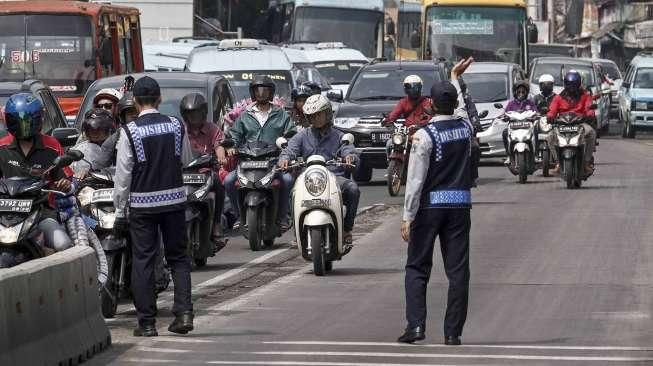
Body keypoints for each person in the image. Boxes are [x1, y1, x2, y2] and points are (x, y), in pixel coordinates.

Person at [113, 76, 195, 337]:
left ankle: (146, 323)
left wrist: (119, 210)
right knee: (179, 258)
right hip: (173, 201)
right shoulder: (176, 125)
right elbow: (186, 159)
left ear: (135, 102)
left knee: (144, 261)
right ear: (159, 99)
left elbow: (123, 176)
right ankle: (183, 313)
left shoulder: (130, 131)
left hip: (142, 206)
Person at [398, 77, 474, 346]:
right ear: (453, 104)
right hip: (460, 207)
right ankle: (453, 332)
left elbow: (415, 181)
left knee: (417, 267)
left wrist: (408, 216)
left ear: (430, 104)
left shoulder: (424, 135)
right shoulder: (465, 128)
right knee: (458, 271)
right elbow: (464, 110)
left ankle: (416, 325)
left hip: (429, 208)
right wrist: (456, 77)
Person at [278, 95, 360, 246]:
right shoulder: (302, 136)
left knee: (353, 189)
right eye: (311, 116)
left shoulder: (339, 136)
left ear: (327, 113)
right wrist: (285, 159)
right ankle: (297, 232)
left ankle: (347, 229)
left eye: (318, 114)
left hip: (334, 177)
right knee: (293, 194)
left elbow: (348, 149)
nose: (315, 119)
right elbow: (289, 150)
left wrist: (349, 157)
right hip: (308, 179)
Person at [0, 93, 73, 258]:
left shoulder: (52, 146)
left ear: (38, 119)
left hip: (41, 212)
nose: (23, 124)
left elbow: (65, 178)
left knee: (63, 245)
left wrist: (64, 184)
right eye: (18, 120)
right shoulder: (1, 148)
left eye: (28, 120)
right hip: (6, 215)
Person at [220, 75, 295, 230]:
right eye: (258, 90)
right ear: (253, 92)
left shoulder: (281, 114)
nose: (261, 93)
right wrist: (231, 146)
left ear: (271, 92)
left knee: (287, 180)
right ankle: (239, 216)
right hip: (247, 161)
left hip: (274, 160)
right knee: (228, 181)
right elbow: (233, 135)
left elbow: (291, 133)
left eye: (265, 90)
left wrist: (285, 145)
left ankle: (283, 217)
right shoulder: (245, 115)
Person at [180, 92, 226, 244]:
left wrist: (221, 157)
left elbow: (219, 145)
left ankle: (217, 223)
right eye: (190, 114)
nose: (194, 117)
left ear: (204, 112)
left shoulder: (212, 128)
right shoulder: (180, 130)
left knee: (219, 184)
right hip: (184, 173)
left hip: (206, 173)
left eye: (197, 113)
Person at [547, 70, 596, 174]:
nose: (571, 87)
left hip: (580, 123)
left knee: (591, 133)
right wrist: (550, 116)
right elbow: (552, 110)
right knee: (550, 136)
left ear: (578, 84)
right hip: (562, 124)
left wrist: (590, 113)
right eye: (569, 84)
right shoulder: (559, 97)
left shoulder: (585, 95)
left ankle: (586, 162)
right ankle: (558, 163)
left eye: (574, 84)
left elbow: (589, 108)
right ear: (565, 84)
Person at [502, 80, 538, 163]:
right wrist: (504, 117)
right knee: (504, 132)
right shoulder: (511, 104)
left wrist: (536, 116)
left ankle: (535, 155)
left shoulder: (530, 103)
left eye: (523, 91)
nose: (521, 93)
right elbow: (505, 114)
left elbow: (536, 112)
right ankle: (508, 155)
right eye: (519, 91)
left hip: (527, 127)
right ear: (515, 92)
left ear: (526, 93)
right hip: (514, 127)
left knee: (536, 130)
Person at [71, 108, 115, 174]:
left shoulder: (119, 146)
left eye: (99, 128)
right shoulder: (79, 149)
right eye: (90, 128)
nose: (94, 132)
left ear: (109, 129)